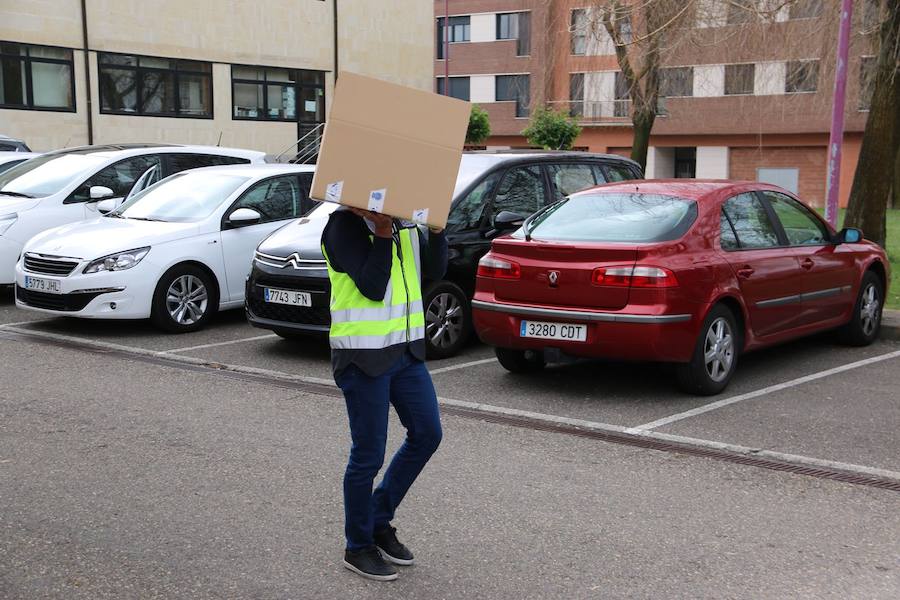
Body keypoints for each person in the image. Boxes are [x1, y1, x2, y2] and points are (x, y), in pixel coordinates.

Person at [321, 205, 448, 581]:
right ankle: (357, 546)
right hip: (363, 357)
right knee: (368, 456)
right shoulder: (342, 225)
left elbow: (434, 273)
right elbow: (373, 287)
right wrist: (380, 233)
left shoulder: (403, 221)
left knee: (428, 433)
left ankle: (377, 519)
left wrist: (438, 232)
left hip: (406, 351)